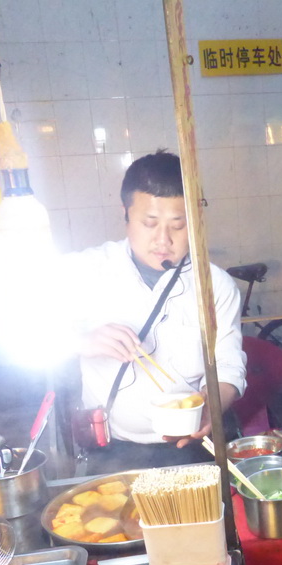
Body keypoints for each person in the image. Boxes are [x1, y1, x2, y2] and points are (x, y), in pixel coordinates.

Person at [57, 150, 246, 474]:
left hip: (192, 449)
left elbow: (229, 365)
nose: (163, 240)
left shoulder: (215, 285)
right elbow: (13, 338)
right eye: (150, 223)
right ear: (126, 214)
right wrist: (79, 341)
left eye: (178, 225)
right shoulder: (85, 271)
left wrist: (213, 406)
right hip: (113, 451)